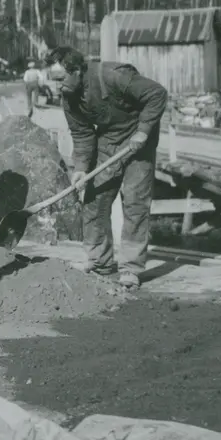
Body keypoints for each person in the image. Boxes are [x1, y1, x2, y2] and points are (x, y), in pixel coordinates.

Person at [51, 46, 168, 289]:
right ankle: (100, 261)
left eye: (60, 79)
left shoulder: (113, 75)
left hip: (138, 141)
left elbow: (156, 94)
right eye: (53, 81)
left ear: (76, 72)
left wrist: (144, 131)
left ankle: (131, 268)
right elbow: (82, 134)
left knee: (135, 203)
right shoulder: (68, 98)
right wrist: (81, 167)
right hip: (109, 141)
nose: (57, 87)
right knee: (95, 200)